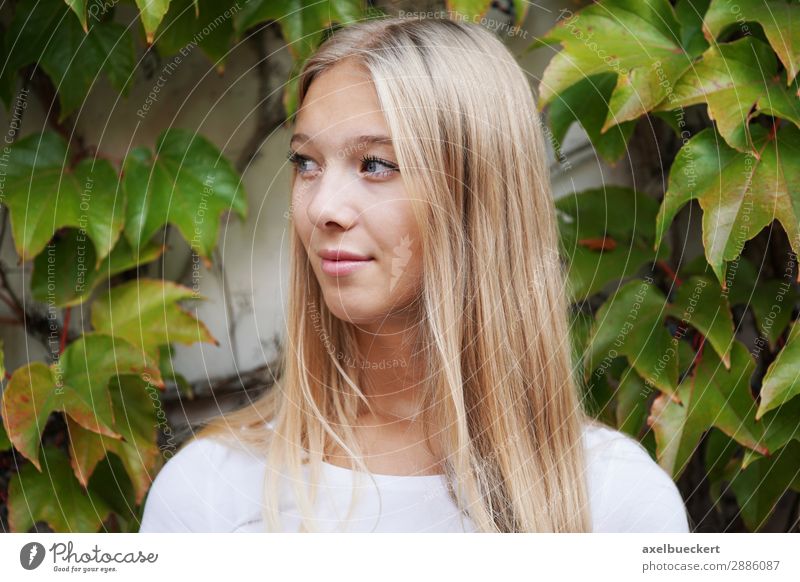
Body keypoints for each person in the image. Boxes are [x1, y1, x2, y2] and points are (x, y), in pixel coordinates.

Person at [139, 16, 690, 533]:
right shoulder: (208, 496)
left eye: (375, 164)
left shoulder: (617, 504)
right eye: (306, 162)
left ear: (481, 195)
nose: (321, 207)